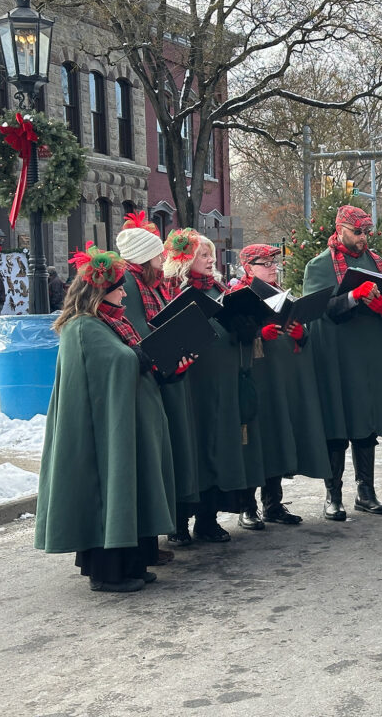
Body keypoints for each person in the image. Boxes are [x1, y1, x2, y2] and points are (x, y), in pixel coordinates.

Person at [34, 244, 187, 592]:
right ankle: (107, 573)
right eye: (117, 287)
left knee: (133, 488)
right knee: (110, 493)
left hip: (125, 424)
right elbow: (114, 364)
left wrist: (157, 359)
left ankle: (134, 562)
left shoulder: (110, 321)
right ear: (99, 291)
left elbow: (127, 358)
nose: (123, 292)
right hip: (102, 435)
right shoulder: (83, 327)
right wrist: (142, 356)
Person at [163, 229, 264, 543]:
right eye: (202, 255)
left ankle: (208, 519)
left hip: (221, 385)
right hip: (191, 385)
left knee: (216, 447)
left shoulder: (221, 290)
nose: (210, 260)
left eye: (210, 254)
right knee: (190, 448)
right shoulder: (171, 290)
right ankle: (179, 523)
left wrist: (245, 327)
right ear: (184, 260)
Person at [303, 205, 382, 520]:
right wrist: (352, 297)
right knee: (337, 423)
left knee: (365, 423)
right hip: (335, 356)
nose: (363, 238)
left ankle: (366, 492)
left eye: (366, 232)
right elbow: (318, 310)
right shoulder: (319, 266)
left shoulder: (378, 263)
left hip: (368, 356)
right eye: (357, 232)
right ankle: (333, 495)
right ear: (340, 229)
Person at [116, 212, 200, 564]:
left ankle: (165, 530)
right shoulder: (132, 285)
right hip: (154, 377)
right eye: (156, 255)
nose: (162, 260)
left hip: (168, 374)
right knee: (156, 459)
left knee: (171, 455)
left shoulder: (152, 283)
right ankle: (154, 538)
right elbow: (138, 330)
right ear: (141, 258)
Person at [233, 243, 326, 530]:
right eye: (266, 263)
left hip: (279, 378)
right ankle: (247, 506)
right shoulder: (237, 297)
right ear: (249, 267)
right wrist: (257, 334)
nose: (274, 267)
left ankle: (273, 503)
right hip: (254, 377)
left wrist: (301, 334)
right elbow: (232, 335)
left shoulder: (283, 296)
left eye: (275, 263)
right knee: (255, 440)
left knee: (276, 435)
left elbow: (300, 327)